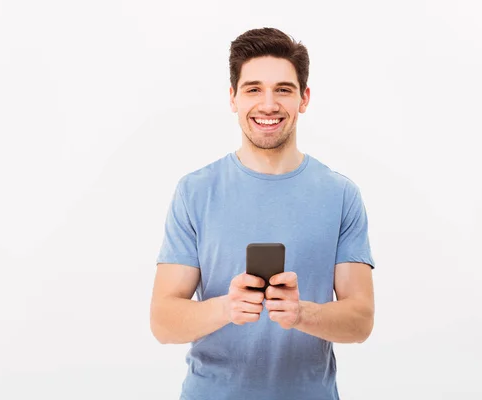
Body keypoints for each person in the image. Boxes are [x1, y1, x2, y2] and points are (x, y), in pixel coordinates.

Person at [150, 27, 376, 400]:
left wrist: (301, 313)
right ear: (233, 98)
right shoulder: (195, 192)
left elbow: (361, 321)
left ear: (303, 98)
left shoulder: (341, 195)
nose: (268, 104)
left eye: (283, 90)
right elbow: (163, 322)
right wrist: (227, 307)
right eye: (253, 89)